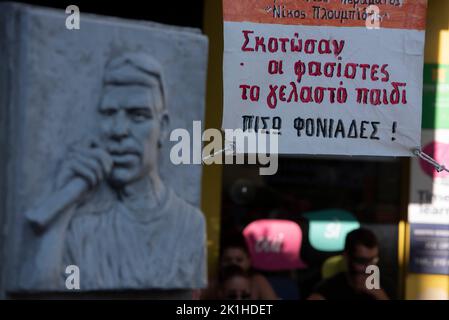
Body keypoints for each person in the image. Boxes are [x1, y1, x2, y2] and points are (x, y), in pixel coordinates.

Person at [25, 52, 207, 291]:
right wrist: (62, 205)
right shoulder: (82, 228)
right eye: (109, 114)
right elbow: (39, 291)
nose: (119, 131)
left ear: (162, 128)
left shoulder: (189, 225)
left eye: (137, 116)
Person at [307, 228, 390, 300]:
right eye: (362, 261)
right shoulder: (327, 289)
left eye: (373, 260)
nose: (370, 267)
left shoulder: (385, 286)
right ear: (346, 257)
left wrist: (380, 295)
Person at [201, 239, 278, 300]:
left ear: (249, 261)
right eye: (227, 260)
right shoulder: (211, 284)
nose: (233, 264)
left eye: (239, 260)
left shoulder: (258, 282)